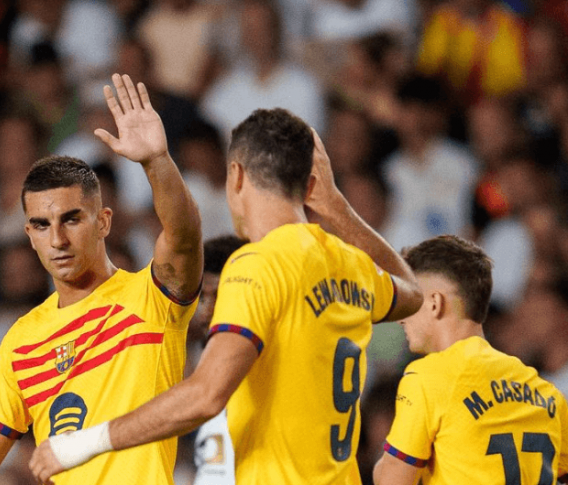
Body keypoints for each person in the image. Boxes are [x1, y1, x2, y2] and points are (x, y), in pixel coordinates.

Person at [29, 107, 423, 484]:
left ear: (235, 176)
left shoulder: (257, 264)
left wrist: (80, 444)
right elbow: (412, 292)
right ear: (308, 184)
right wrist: (336, 204)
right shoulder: (347, 262)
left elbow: (206, 394)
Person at [0, 74, 203, 485]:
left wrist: (156, 162)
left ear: (104, 221)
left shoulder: (150, 298)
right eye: (41, 225)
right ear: (29, 235)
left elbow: (183, 238)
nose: (56, 239)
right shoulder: (21, 341)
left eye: (71, 219)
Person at [373, 235, 568, 485]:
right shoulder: (544, 391)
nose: (401, 317)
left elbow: (392, 480)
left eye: (412, 298)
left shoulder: (428, 377)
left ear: (434, 303)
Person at [187, 235, 248, 485]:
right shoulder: (204, 380)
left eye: (220, 296)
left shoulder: (269, 385)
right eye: (202, 298)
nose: (207, 313)